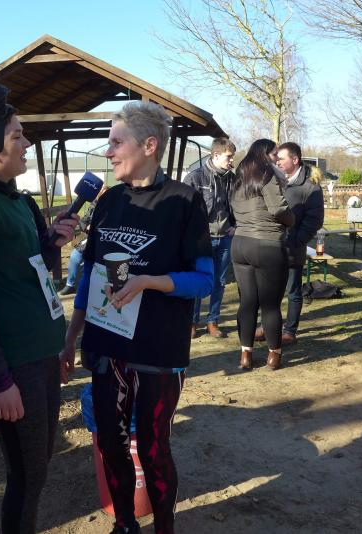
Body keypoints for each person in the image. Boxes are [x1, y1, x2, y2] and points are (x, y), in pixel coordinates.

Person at [61, 101, 214, 534]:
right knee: (111, 445)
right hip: (107, 347)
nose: (108, 152)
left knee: (152, 449)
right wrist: (71, 338)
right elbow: (91, 275)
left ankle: (163, 526)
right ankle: (125, 524)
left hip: (158, 351)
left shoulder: (183, 200)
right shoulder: (109, 201)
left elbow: (204, 280)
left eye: (116, 142)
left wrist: (149, 282)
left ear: (149, 145)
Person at [0, 108, 78, 534]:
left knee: (39, 465)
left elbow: (29, 269)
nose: (26, 144)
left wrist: (51, 243)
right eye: (17, 136)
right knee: (27, 473)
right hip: (12, 364)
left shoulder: (20, 200)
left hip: (42, 354)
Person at [230, 139, 295, 371]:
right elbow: (278, 209)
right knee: (270, 305)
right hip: (267, 244)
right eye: (274, 154)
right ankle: (273, 355)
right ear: (264, 154)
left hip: (240, 244)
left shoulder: (239, 178)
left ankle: (245, 355)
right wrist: (292, 219)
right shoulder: (267, 175)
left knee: (247, 302)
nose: (277, 158)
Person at [183, 137, 237, 338]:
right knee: (197, 280)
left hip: (225, 238)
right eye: (228, 157)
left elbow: (239, 205)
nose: (231, 161)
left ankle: (213, 321)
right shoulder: (195, 178)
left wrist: (236, 226)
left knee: (219, 282)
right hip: (201, 240)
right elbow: (184, 209)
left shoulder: (232, 179)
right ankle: (192, 322)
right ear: (216, 155)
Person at [271, 142, 324, 345]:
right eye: (276, 158)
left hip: (293, 248)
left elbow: (314, 221)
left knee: (292, 291)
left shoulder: (310, 186)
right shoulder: (274, 179)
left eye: (281, 158)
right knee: (270, 290)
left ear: (295, 159)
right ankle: (269, 325)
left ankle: (290, 330)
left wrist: (294, 240)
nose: (277, 162)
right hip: (271, 246)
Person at [60, 186, 107, 296]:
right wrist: (83, 227)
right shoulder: (94, 206)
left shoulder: (113, 209)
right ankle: (70, 284)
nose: (104, 197)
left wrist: (95, 228)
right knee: (75, 256)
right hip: (89, 238)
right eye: (102, 194)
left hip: (104, 240)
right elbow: (83, 221)